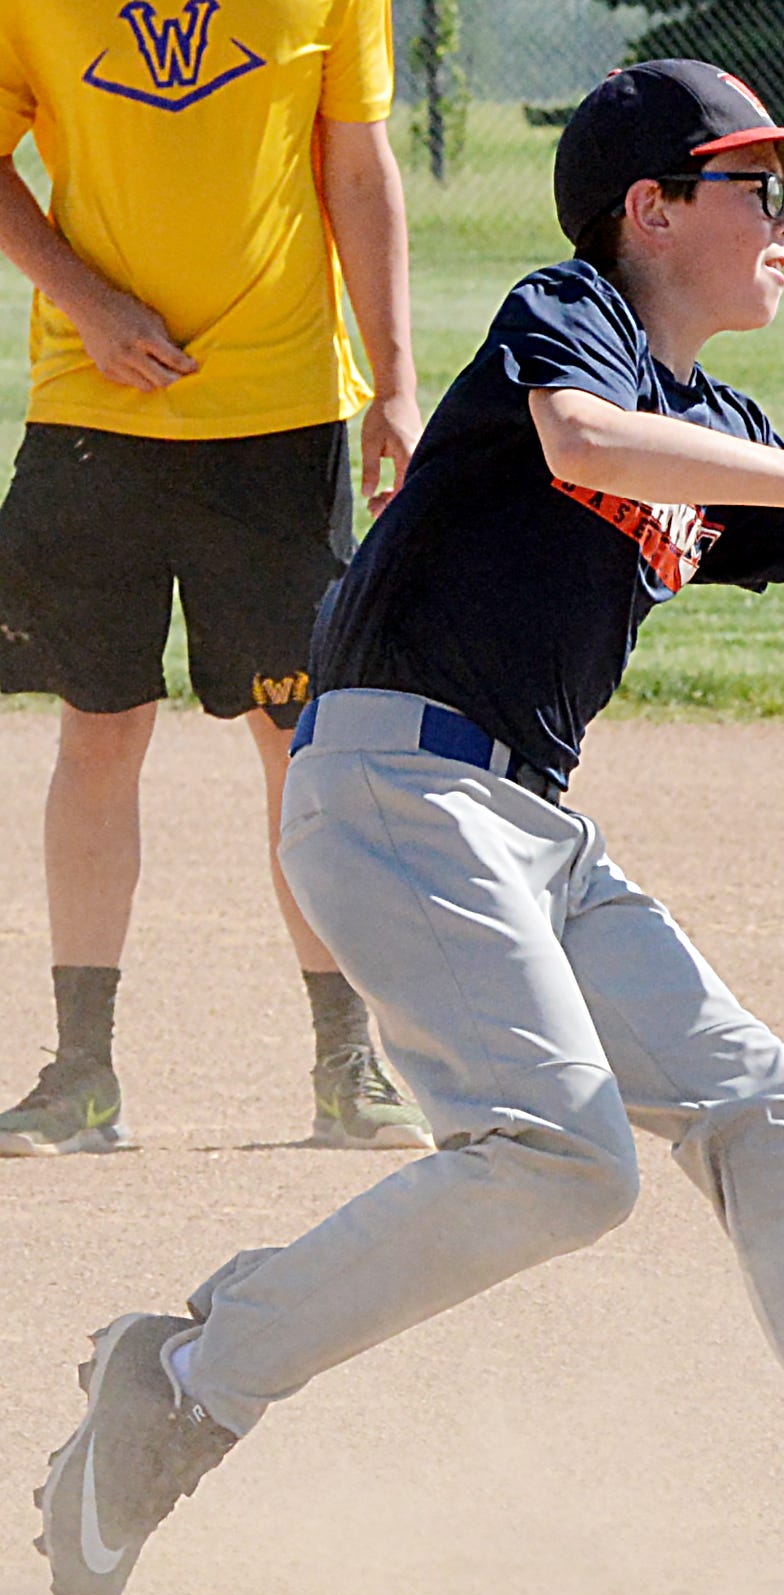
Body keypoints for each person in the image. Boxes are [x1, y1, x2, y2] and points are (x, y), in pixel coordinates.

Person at [36, 59, 784, 1595]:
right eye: (756, 188)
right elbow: (581, 444)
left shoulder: (718, 426)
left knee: (769, 1112)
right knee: (563, 1159)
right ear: (649, 209)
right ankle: (190, 1377)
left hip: (530, 829)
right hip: (393, 789)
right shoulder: (566, 319)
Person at [0, 0, 431, 1153]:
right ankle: (80, 1076)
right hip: (97, 407)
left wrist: (393, 382)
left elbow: (356, 164)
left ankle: (349, 1066)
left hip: (280, 411)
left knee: (301, 736)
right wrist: (87, 304)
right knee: (99, 726)